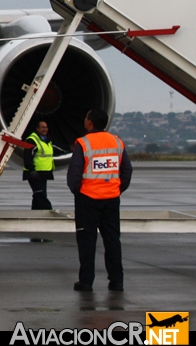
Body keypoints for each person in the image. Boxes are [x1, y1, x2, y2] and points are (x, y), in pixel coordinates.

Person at [66, 109, 132, 292]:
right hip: (111, 199)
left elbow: (74, 173)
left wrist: (77, 192)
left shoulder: (83, 143)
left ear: (90, 122)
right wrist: (117, 189)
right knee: (112, 240)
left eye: (86, 117)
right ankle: (117, 281)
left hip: (88, 199)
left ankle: (86, 281)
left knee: (87, 241)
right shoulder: (117, 142)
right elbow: (127, 170)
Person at [23, 119, 55, 210]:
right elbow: (27, 156)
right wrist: (31, 169)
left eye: (46, 127)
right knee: (40, 194)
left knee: (38, 194)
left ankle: (35, 214)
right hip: (35, 173)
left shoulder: (48, 140)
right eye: (42, 127)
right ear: (37, 129)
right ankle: (49, 211)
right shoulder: (31, 140)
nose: (45, 129)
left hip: (44, 172)